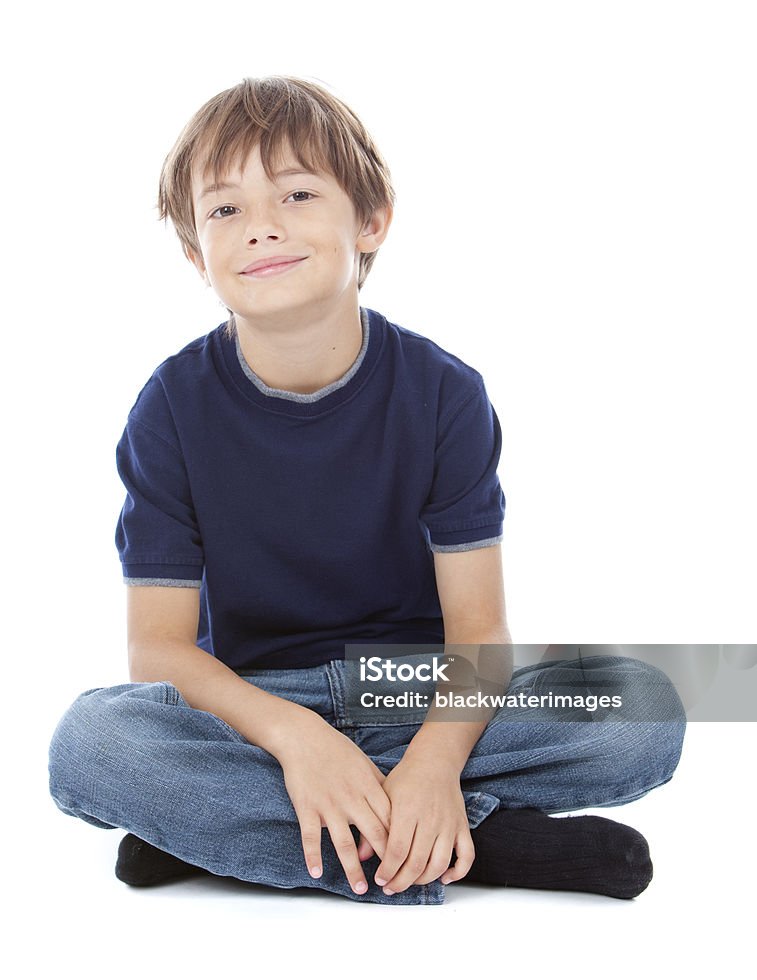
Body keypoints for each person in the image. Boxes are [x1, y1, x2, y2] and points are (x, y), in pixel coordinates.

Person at [47, 76, 686, 906]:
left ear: (371, 220)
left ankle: (240, 832)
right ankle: (476, 845)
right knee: (92, 743)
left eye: (298, 193)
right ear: (195, 254)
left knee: (644, 703)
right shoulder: (169, 406)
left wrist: (431, 761)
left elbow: (480, 630)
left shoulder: (443, 393)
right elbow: (159, 652)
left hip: (412, 686)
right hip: (261, 703)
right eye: (225, 210)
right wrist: (298, 738)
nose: (261, 226)